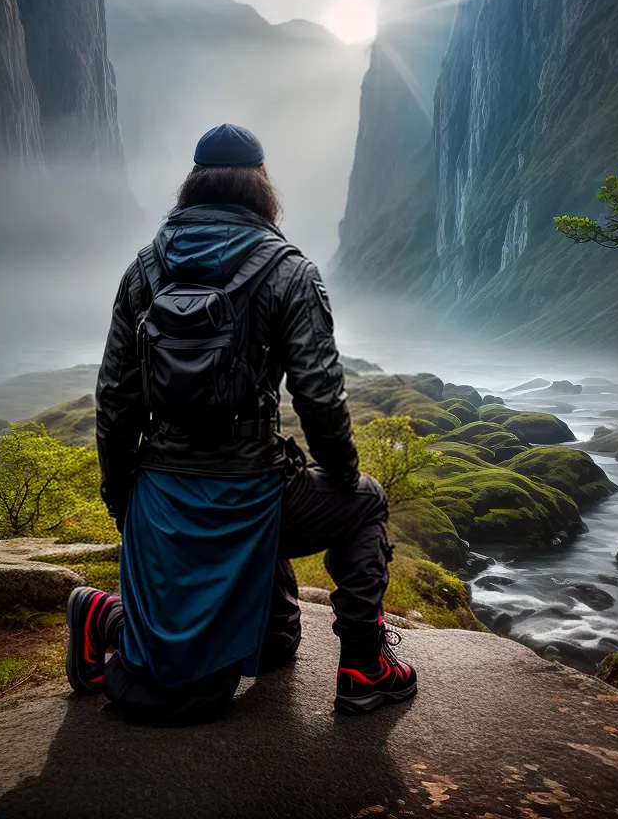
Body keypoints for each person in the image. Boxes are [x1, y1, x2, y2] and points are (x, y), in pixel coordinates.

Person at [65, 123, 417, 723]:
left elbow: (115, 400)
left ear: (193, 183)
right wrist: (341, 478)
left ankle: (128, 617)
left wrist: (125, 497)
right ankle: (365, 665)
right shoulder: (289, 270)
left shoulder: (143, 270)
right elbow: (319, 396)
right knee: (366, 502)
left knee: (277, 647)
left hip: (160, 491)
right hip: (255, 484)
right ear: (261, 184)